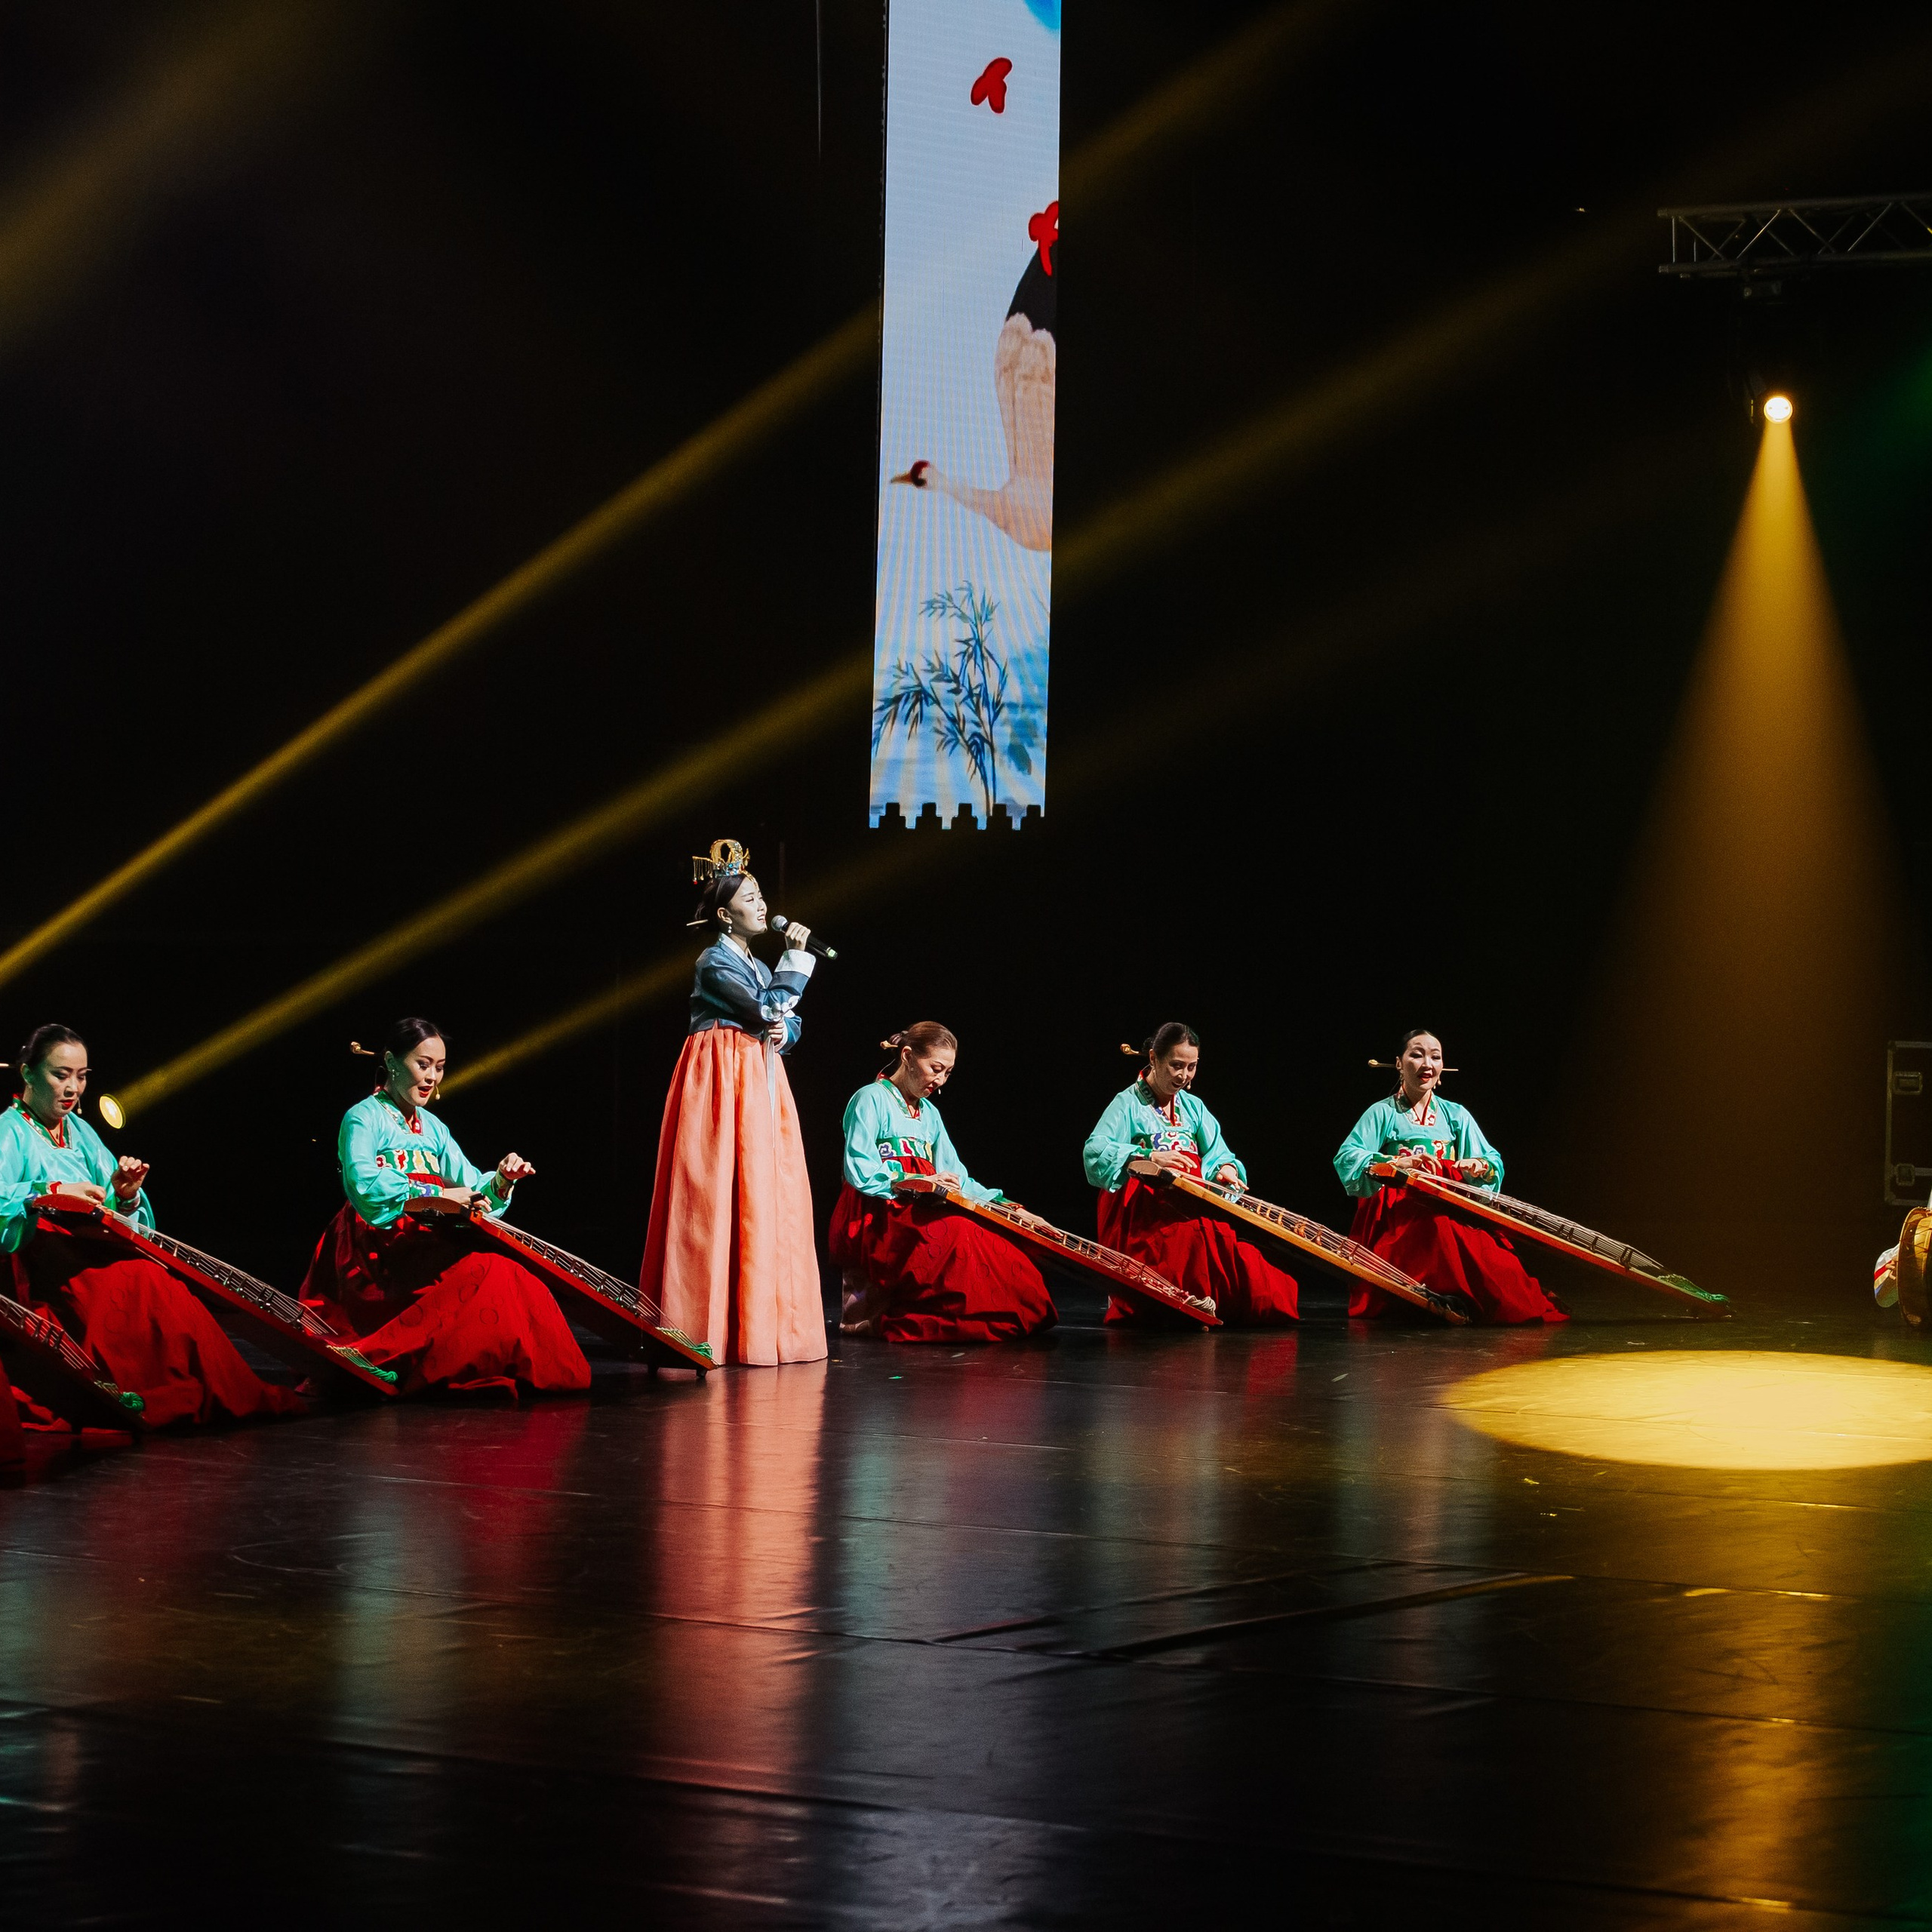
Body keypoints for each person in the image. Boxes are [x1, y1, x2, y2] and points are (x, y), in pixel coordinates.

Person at [1, 1023, 304, 1425]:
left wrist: (125, 1193)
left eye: (82, 1076)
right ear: (28, 1073)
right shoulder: (9, 1129)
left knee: (159, 1279)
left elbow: (111, 1206)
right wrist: (52, 1189)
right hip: (50, 1265)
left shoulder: (80, 1130)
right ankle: (157, 1389)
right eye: (61, 1075)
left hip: (92, 1251)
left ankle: (215, 1386)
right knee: (141, 1282)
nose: (73, 1088)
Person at [300, 1018, 591, 1395]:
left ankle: (508, 1364)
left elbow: (469, 1184)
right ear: (390, 1061)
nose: (432, 1077)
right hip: (377, 1246)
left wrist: (502, 1179)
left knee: (511, 1275)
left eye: (439, 1068)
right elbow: (364, 1184)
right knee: (491, 1274)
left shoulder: (434, 1127)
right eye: (423, 1065)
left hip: (428, 1237)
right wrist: (432, 1195)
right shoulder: (363, 1117)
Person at [638, 841, 827, 1367]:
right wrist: (794, 968)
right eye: (750, 898)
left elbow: (789, 1025)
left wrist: (782, 1024)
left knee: (766, 1194)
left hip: (759, 1073)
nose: (763, 906)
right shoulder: (714, 961)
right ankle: (707, 1324)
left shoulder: (756, 963)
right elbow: (766, 1007)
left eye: (762, 895)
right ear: (725, 914)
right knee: (715, 1190)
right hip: (721, 1076)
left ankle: (763, 1323)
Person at [831, 1023, 1058, 1343]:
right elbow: (859, 1167)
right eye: (935, 1068)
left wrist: (1006, 1207)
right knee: (960, 1235)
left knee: (993, 1238)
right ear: (908, 1056)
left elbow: (956, 1175)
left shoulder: (930, 1114)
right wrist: (915, 1180)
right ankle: (890, 1319)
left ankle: (986, 1314)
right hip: (880, 1210)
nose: (940, 1081)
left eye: (948, 1073)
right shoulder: (870, 1099)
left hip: (919, 1207)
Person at [1334, 1028, 1565, 1324]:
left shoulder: (1455, 1114)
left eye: (1435, 1057)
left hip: (1449, 1203)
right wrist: (1398, 1163)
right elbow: (1348, 1156)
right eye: (1416, 1055)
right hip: (1400, 1211)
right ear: (1399, 1063)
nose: (1426, 1063)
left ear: (1442, 1068)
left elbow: (1492, 1158)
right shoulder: (1382, 1113)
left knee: (1498, 1267)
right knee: (1436, 1229)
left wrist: (1478, 1166)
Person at [1083, 1024, 1299, 1325]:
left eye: (1191, 1067)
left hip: (1192, 1204)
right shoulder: (1127, 1104)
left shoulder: (1193, 1107)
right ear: (1154, 1058)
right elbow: (1095, 1151)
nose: (1184, 1076)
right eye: (1176, 1065)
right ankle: (1185, 1299)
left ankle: (1206, 1298)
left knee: (1261, 1284)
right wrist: (1147, 1156)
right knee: (1190, 1245)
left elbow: (1217, 1153)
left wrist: (1225, 1170)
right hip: (1144, 1215)